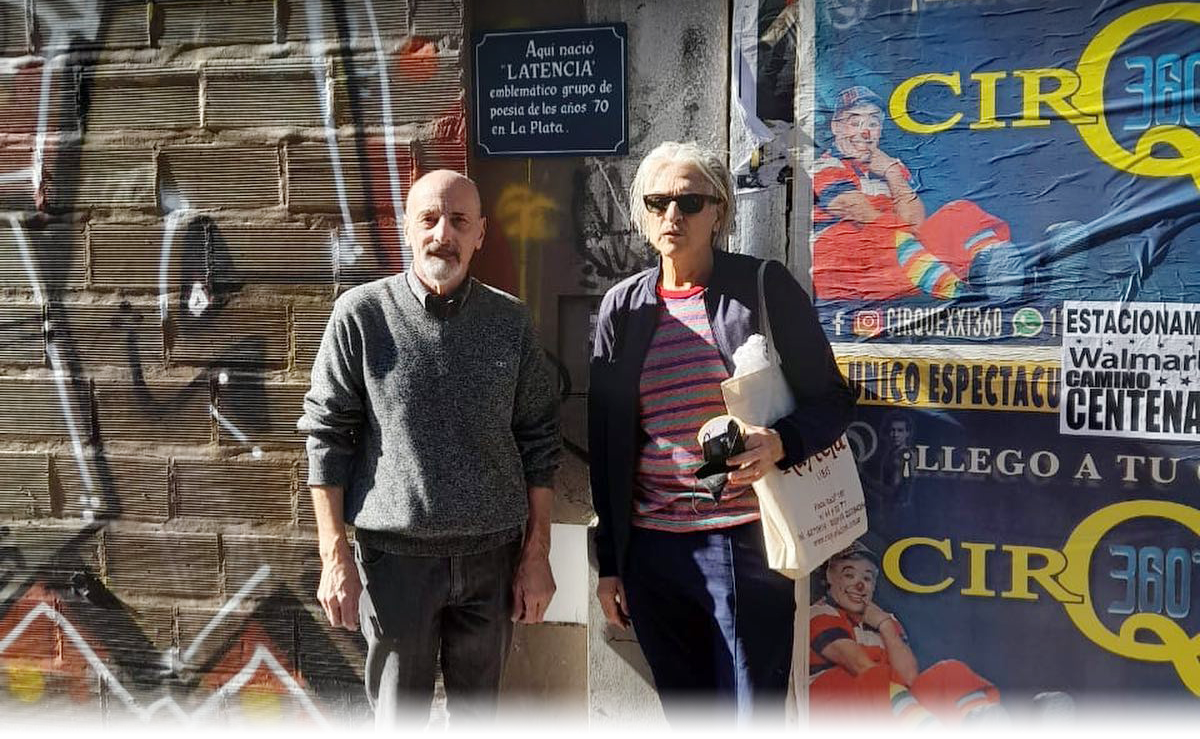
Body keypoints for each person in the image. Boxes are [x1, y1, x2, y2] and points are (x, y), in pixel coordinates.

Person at [588, 141, 855, 725]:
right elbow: (606, 445)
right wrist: (610, 563)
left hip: (744, 543)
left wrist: (780, 442)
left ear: (719, 211)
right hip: (652, 552)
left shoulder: (762, 288)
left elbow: (835, 400)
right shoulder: (621, 310)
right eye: (657, 202)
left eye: (689, 202)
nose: (672, 215)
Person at [299, 170, 560, 726]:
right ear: (407, 229)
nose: (444, 234)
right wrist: (334, 556)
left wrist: (537, 555)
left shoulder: (510, 322)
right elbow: (326, 437)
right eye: (430, 219)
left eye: (459, 221)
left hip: (492, 559)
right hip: (395, 564)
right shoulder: (361, 316)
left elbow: (539, 441)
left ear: (480, 233)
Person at [812, 86, 1024, 302]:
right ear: (836, 127)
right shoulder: (825, 166)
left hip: (897, 262)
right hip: (848, 270)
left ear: (880, 130)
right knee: (874, 232)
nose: (865, 133)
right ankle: (957, 291)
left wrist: (892, 173)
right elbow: (862, 214)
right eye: (855, 122)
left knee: (959, 212)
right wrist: (902, 232)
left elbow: (915, 225)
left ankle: (994, 273)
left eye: (873, 124)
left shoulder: (891, 166)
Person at [810, 542, 1001, 723]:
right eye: (849, 575)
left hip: (892, 707)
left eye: (867, 578)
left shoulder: (886, 622)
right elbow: (860, 666)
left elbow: (909, 678)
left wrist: (885, 624)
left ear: (874, 586)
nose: (859, 585)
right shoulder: (820, 612)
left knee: (949, 672)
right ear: (830, 577)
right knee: (869, 677)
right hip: (837, 711)